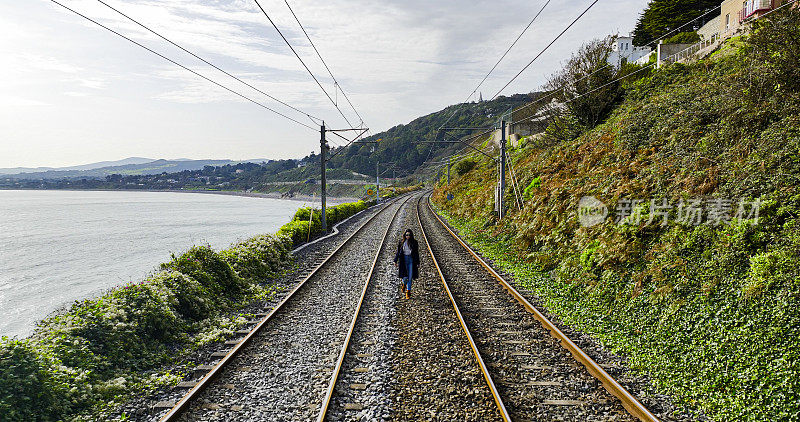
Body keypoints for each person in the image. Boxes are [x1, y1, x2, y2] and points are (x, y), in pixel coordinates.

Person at [393, 229, 419, 299]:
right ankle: (404, 284)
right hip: (403, 260)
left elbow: (416, 253)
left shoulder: (414, 242)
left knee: (410, 277)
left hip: (411, 260)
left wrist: (417, 262)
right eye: (407, 235)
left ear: (411, 235)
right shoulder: (401, 242)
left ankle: (408, 292)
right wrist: (395, 260)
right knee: (404, 277)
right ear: (404, 235)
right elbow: (398, 252)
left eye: (409, 235)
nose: (408, 236)